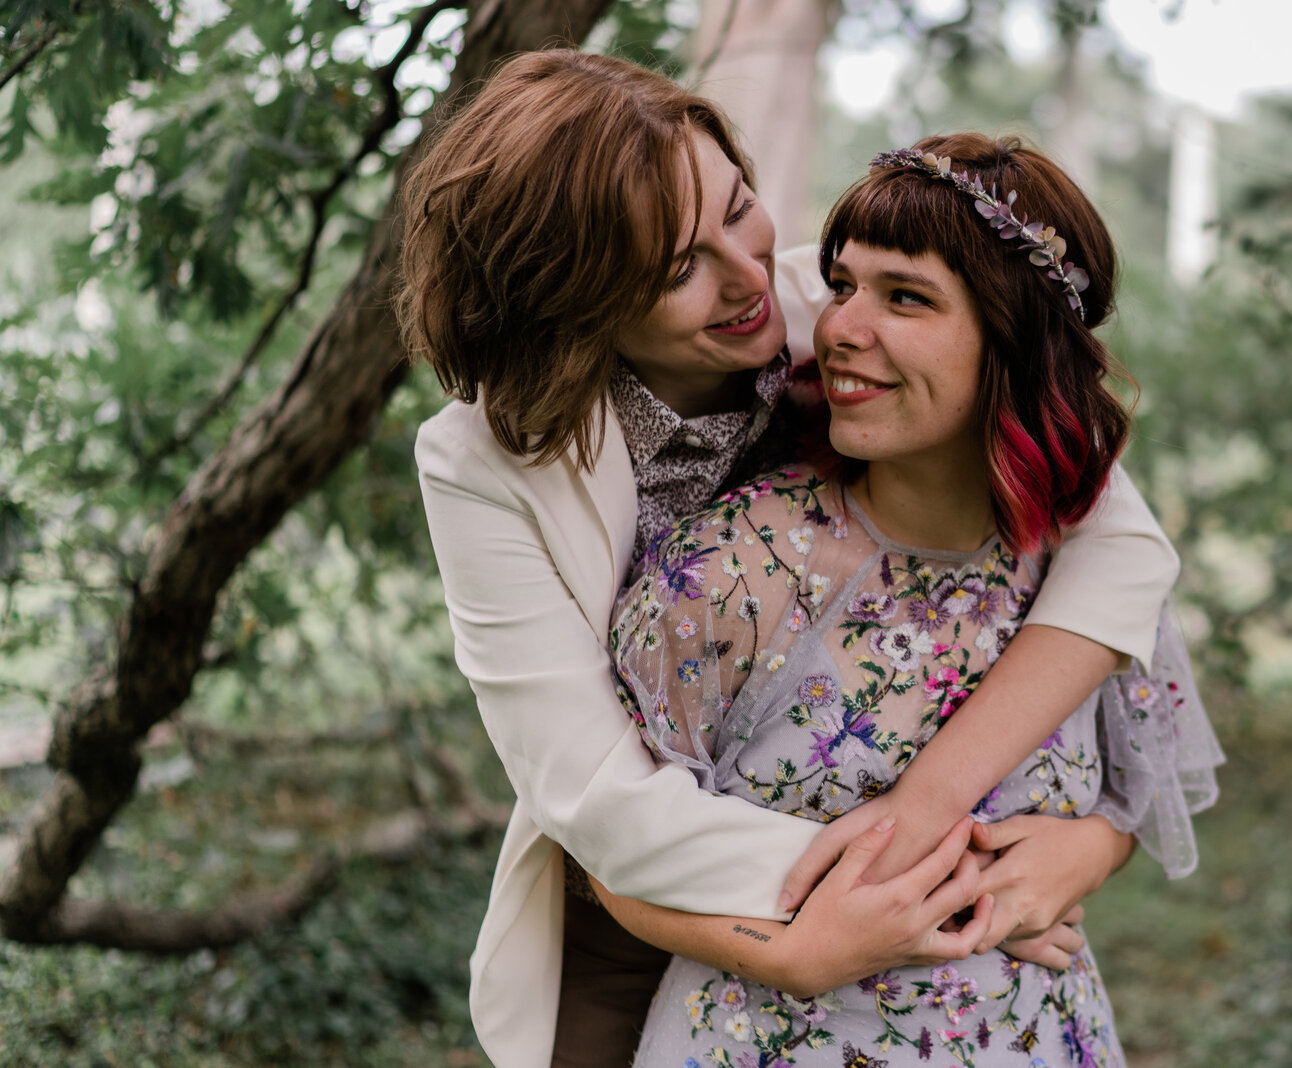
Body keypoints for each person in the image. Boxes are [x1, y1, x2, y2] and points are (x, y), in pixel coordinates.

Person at [400, 50, 1188, 1068]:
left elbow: (1117, 541)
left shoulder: (849, 313)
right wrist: (905, 900)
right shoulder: (478, 462)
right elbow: (599, 799)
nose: (746, 277)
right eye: (675, 267)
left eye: (739, 207)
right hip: (643, 892)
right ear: (576, 301)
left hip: (884, 838)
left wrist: (979, 822)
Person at [596, 134, 1223, 1067]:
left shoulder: (1084, 569)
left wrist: (1086, 851)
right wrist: (797, 952)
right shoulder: (729, 574)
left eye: (907, 298)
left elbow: (1137, 791)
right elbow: (618, 858)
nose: (842, 327)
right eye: (844, 285)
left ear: (1015, 341)